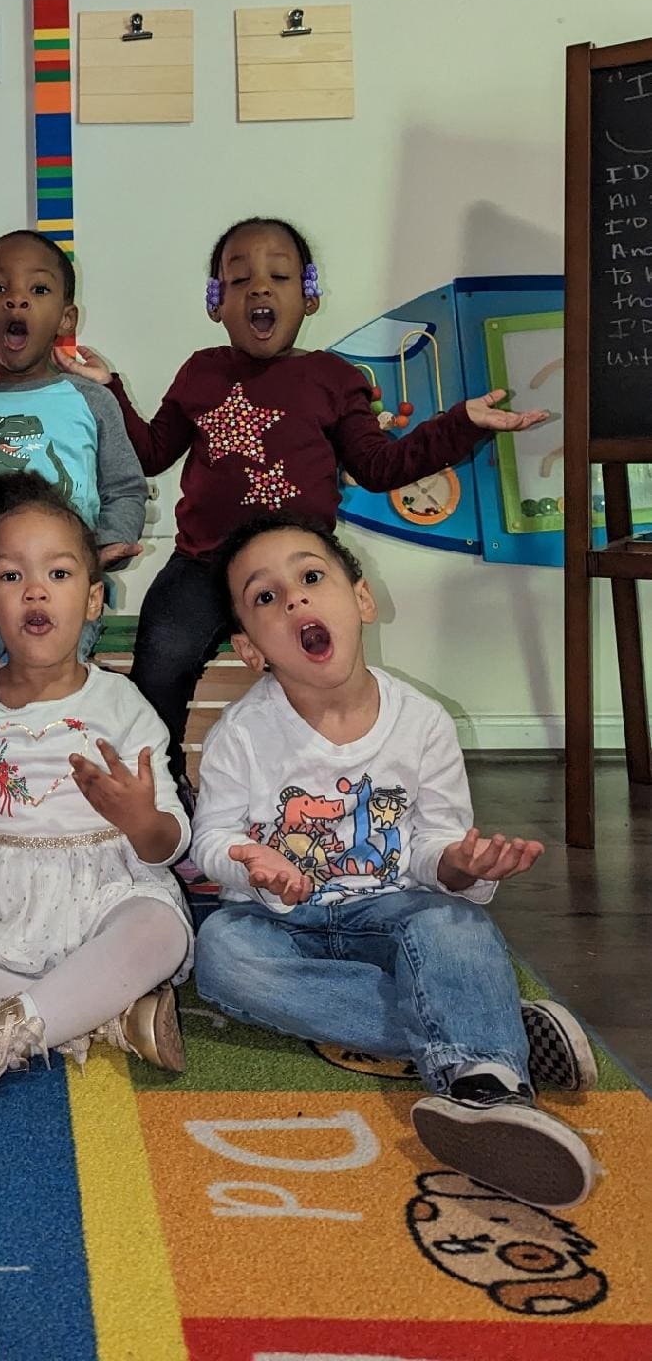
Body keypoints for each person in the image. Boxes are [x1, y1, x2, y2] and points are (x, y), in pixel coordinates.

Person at [192, 513, 599, 1208]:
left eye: (311, 577)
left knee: (455, 929)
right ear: (251, 648)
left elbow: (437, 852)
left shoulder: (423, 722)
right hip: (283, 924)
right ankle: (490, 1044)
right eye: (266, 597)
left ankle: (486, 1094)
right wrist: (252, 860)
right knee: (221, 956)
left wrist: (465, 867)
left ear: (361, 600)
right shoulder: (242, 736)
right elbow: (210, 840)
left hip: (394, 911)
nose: (294, 600)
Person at [62, 216, 548, 790]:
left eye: (280, 276)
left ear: (308, 296)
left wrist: (460, 424)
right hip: (202, 564)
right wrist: (109, 385)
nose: (260, 289)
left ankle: (325, 794)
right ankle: (167, 800)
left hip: (296, 572)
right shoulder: (201, 371)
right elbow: (149, 452)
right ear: (216, 302)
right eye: (239, 280)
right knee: (157, 674)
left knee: (321, 678)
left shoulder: (331, 377)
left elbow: (379, 466)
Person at [0, 470, 192, 1111]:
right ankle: (101, 1017)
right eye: (12, 576)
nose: (35, 591)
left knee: (162, 930)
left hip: (103, 882)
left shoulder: (125, 705)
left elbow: (169, 841)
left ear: (95, 600)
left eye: (59, 573)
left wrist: (139, 820)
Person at [0, 229, 147, 786]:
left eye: (38, 290)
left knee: (45, 702)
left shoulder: (90, 400)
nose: (16, 300)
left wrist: (105, 543)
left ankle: (47, 825)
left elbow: (126, 487)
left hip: (62, 582)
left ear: (66, 318)